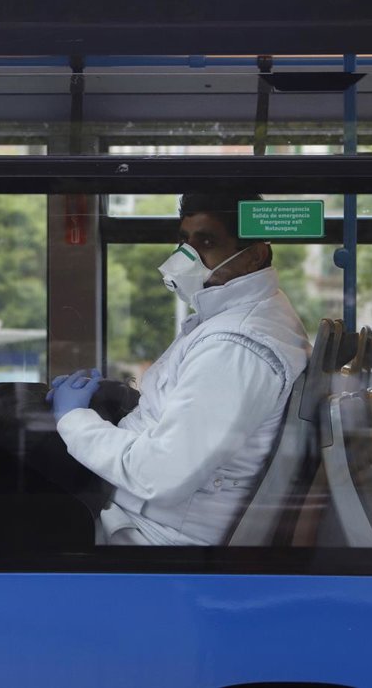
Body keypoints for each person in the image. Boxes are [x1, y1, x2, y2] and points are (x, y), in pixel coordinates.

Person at [47, 193, 309, 545]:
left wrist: (73, 419)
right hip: (132, 507)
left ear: (254, 255)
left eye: (207, 242)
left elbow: (160, 474)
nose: (188, 255)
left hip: (151, 533)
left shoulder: (235, 347)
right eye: (185, 240)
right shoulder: (236, 319)